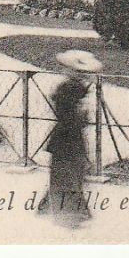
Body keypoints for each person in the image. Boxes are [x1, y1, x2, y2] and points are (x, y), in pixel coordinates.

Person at [39, 49, 100, 228]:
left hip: (66, 137)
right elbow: (68, 115)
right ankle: (68, 214)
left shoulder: (72, 88)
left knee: (65, 174)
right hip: (68, 137)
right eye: (80, 72)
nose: (83, 76)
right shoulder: (71, 89)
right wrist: (82, 116)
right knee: (69, 174)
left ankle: (56, 209)